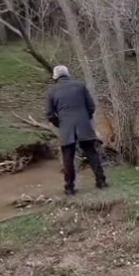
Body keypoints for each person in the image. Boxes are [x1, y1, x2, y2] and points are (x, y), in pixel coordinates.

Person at [46, 65, 108, 196]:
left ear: (55, 77)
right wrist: (85, 119)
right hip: (83, 125)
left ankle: (69, 188)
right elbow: (91, 106)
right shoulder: (80, 86)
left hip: (66, 128)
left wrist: (61, 124)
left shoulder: (52, 92)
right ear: (67, 74)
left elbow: (50, 115)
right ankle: (101, 182)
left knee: (68, 159)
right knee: (92, 154)